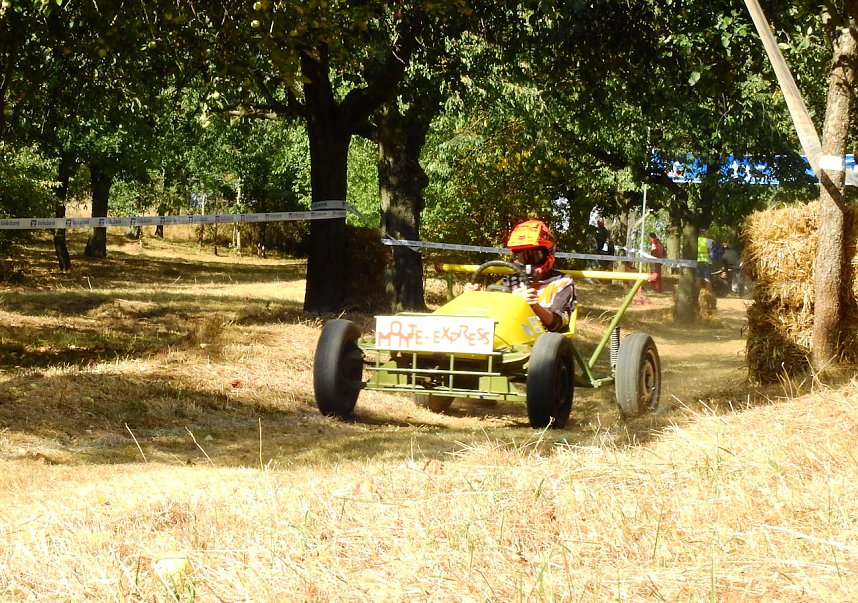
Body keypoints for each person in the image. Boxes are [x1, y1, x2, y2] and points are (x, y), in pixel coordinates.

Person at [468, 219, 576, 332]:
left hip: (544, 340)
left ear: (549, 254)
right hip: (509, 335)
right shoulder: (511, 281)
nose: (528, 264)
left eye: (534, 256)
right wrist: (476, 298)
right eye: (521, 257)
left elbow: (558, 324)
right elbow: (493, 314)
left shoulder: (562, 282)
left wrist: (535, 306)